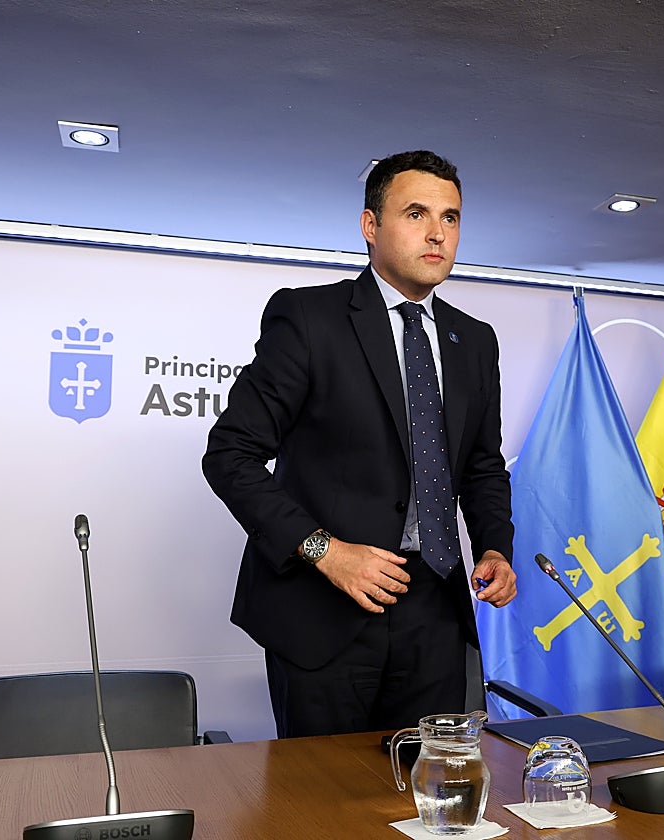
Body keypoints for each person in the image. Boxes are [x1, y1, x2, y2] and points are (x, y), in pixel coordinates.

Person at [202, 149, 516, 738]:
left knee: (429, 803)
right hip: (325, 604)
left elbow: (480, 466)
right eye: (417, 213)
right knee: (322, 808)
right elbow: (230, 454)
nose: (436, 233)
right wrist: (326, 550)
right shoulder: (308, 316)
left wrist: (496, 547)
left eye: (450, 218)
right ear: (370, 226)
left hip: (435, 609)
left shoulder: (475, 341)